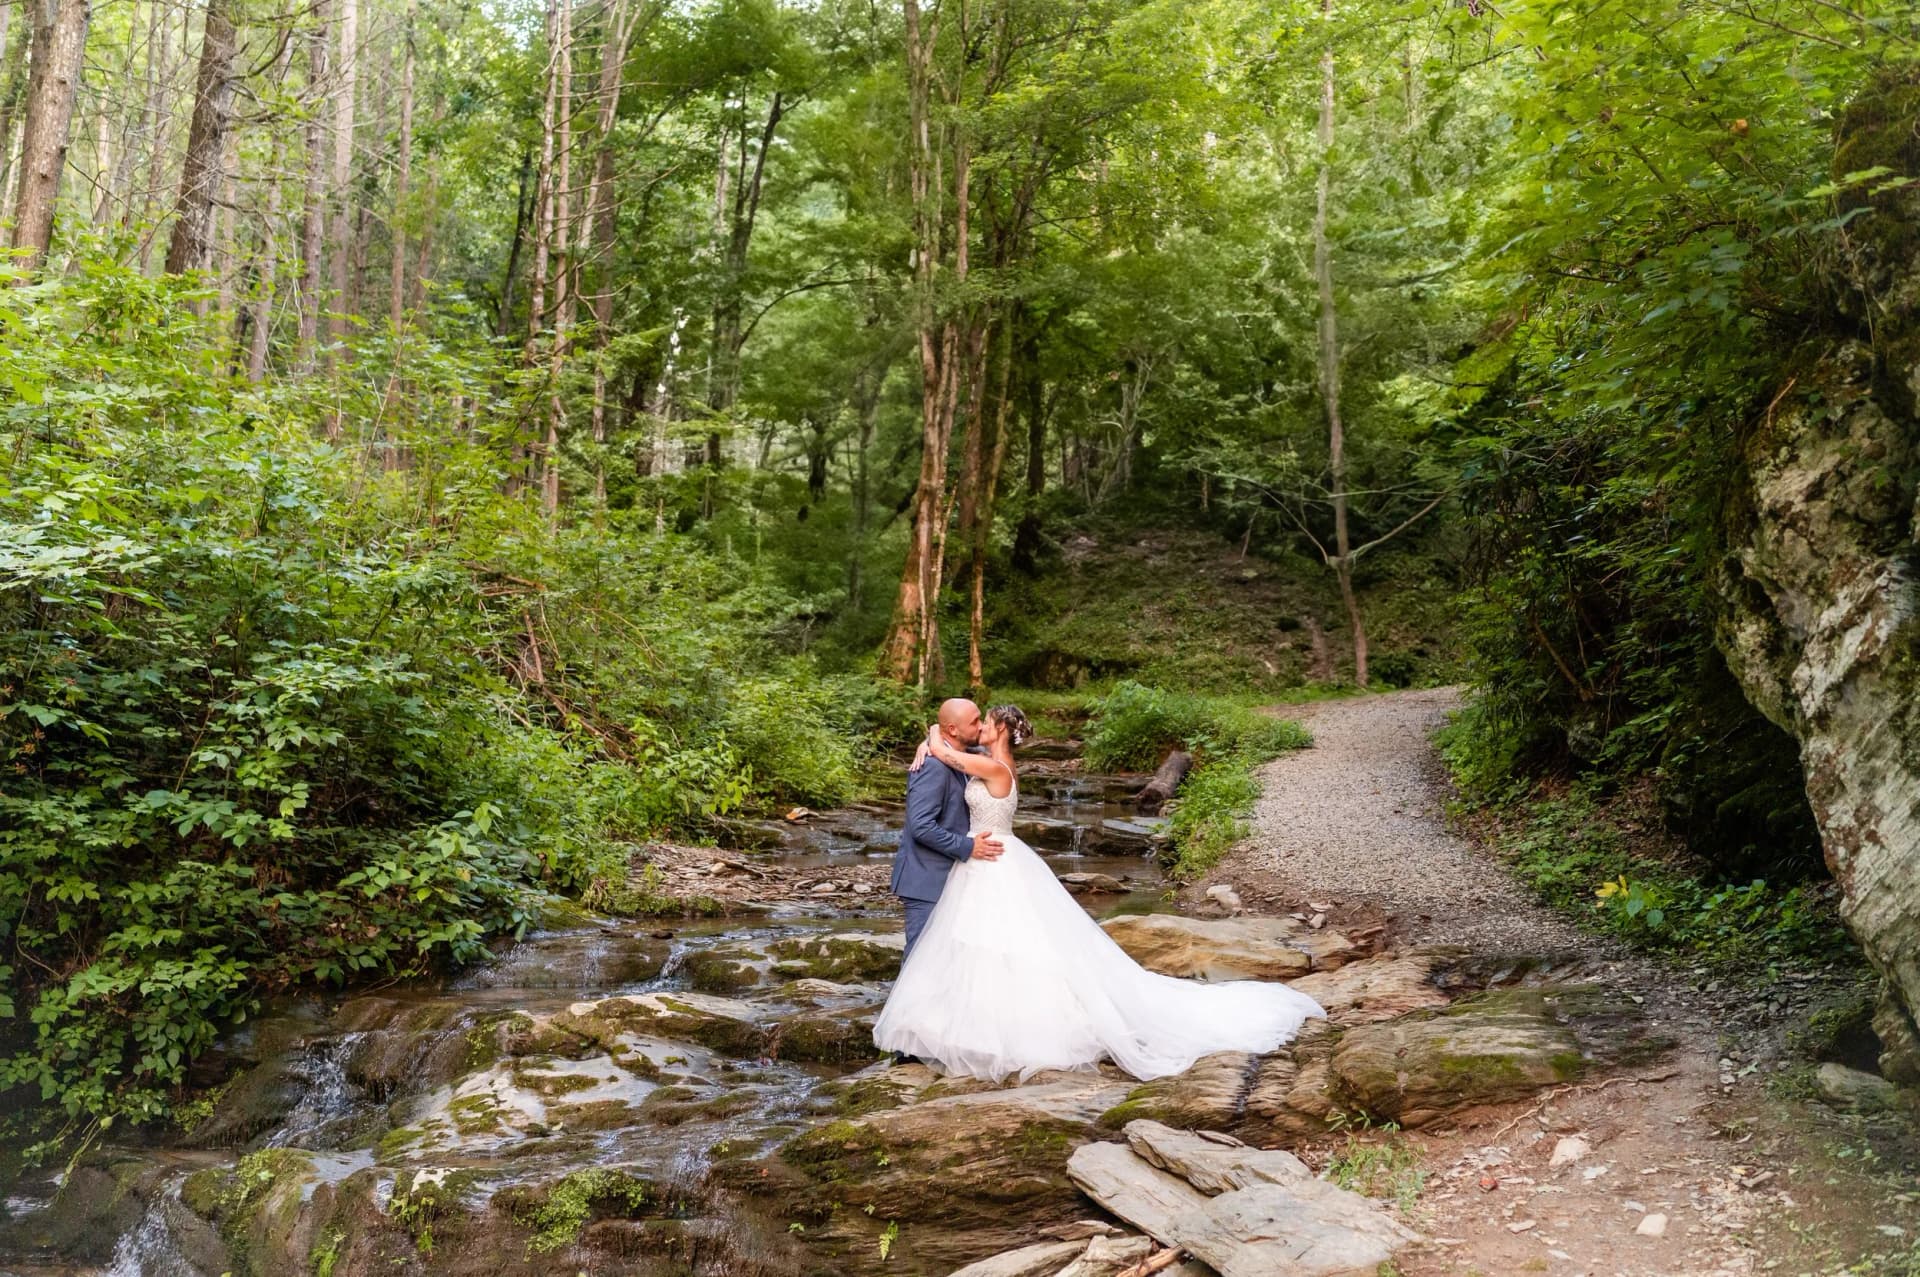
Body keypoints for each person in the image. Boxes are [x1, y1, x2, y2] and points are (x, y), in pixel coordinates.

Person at [874, 702, 1326, 1083]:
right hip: (976, 862)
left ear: (1001, 730)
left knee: (993, 948)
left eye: (984, 722)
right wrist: (934, 737)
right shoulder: (973, 754)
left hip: (988, 860)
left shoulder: (987, 762)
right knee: (975, 949)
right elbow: (936, 781)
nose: (979, 728)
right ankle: (935, 1037)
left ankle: (961, 1036)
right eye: (974, 723)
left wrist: (934, 738)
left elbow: (947, 751)